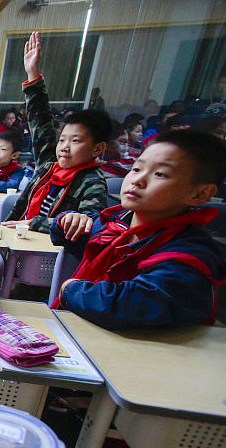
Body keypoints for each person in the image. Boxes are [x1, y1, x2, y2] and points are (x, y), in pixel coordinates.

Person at [51, 129, 224, 328]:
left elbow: (133, 306)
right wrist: (67, 219)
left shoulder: (189, 252)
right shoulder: (118, 224)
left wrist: (71, 289)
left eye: (160, 174)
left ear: (199, 194)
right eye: (136, 169)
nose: (138, 180)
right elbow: (64, 234)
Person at [2, 33, 109, 234]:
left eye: (75, 141)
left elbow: (90, 225)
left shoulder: (92, 181)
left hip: (47, 254)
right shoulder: (50, 165)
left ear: (98, 148)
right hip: (15, 238)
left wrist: (33, 223)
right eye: (62, 140)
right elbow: (40, 121)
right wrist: (33, 74)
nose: (64, 148)